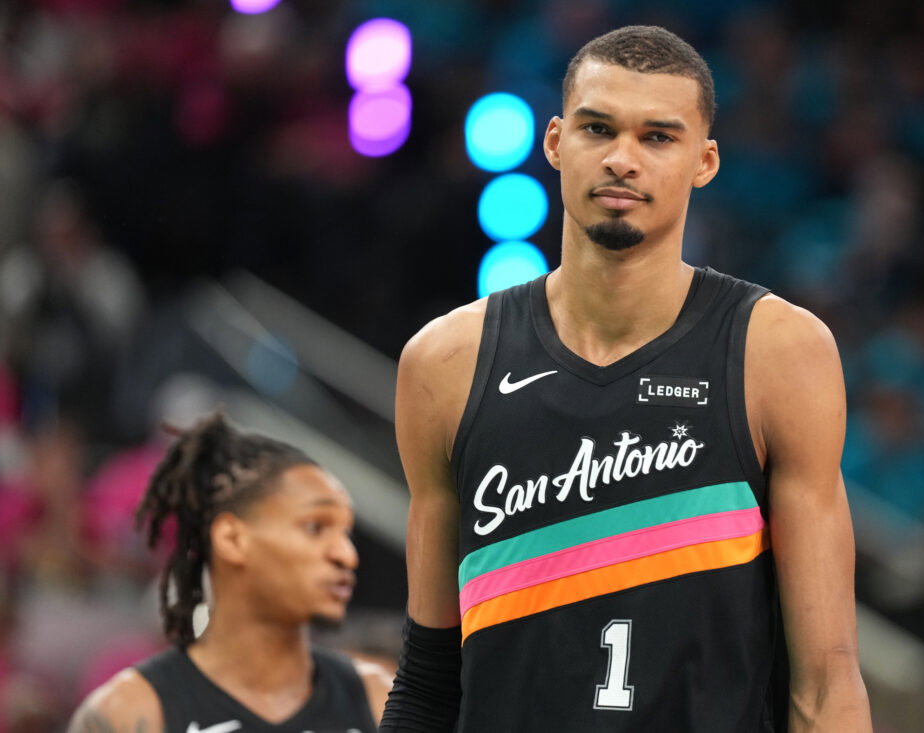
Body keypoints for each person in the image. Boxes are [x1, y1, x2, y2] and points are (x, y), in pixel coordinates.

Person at [382, 25, 870, 732]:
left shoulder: (780, 351)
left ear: (704, 161)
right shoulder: (443, 363)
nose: (622, 159)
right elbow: (429, 680)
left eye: (658, 137)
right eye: (598, 128)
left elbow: (825, 683)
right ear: (555, 142)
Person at [67, 413, 392, 732]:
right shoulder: (128, 712)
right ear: (233, 539)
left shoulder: (378, 699)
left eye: (345, 533)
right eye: (314, 527)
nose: (345, 555)